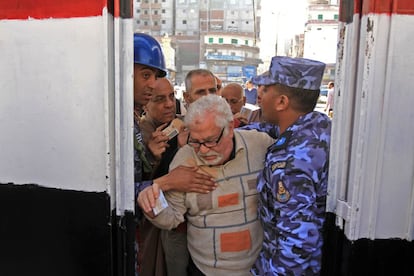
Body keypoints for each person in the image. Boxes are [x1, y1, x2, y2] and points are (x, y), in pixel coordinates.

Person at [138, 94, 275, 275]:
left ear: (231, 128)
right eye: (195, 141)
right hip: (204, 270)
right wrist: (152, 206)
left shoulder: (259, 144)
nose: (202, 150)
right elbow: (172, 218)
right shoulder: (185, 159)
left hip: (256, 268)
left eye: (210, 141)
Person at [133, 33, 216, 276]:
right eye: (160, 99)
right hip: (160, 227)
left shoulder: (190, 128)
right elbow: (124, 193)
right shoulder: (138, 129)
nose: (169, 104)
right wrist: (164, 170)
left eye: (171, 97)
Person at [250, 56, 331, 275]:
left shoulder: (288, 163)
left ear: (282, 102)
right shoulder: (317, 126)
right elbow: (276, 132)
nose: (259, 95)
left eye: (265, 90)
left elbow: (297, 241)